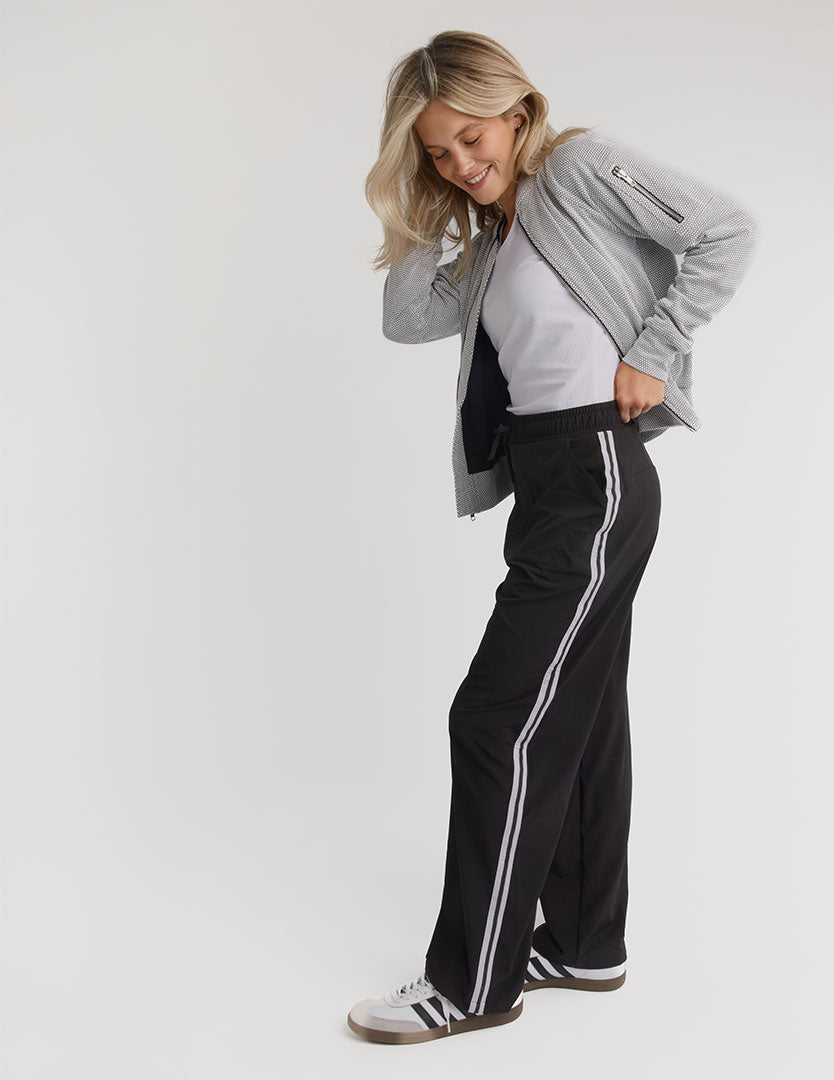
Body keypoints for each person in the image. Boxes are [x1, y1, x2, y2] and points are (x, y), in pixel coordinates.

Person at [348, 30, 760, 1044]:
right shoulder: (492, 235)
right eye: (437, 151)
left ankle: (472, 982)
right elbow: (405, 317)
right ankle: (583, 942)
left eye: (472, 138)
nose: (461, 162)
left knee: (496, 719)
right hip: (546, 481)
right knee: (579, 712)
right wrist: (429, 208)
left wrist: (656, 349)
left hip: (594, 471)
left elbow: (727, 228)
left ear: (518, 110)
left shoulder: (576, 169)